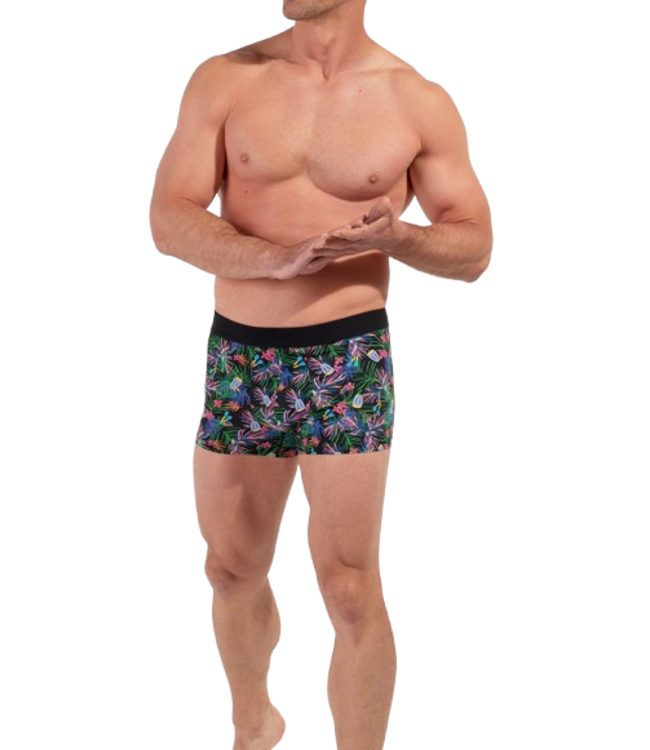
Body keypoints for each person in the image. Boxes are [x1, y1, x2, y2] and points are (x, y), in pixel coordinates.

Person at [148, 1, 492, 747]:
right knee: (229, 568)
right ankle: (253, 727)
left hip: (348, 357)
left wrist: (401, 238)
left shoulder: (416, 98)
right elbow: (169, 219)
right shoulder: (226, 78)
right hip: (241, 357)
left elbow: (473, 248)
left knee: (349, 583)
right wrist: (274, 260)